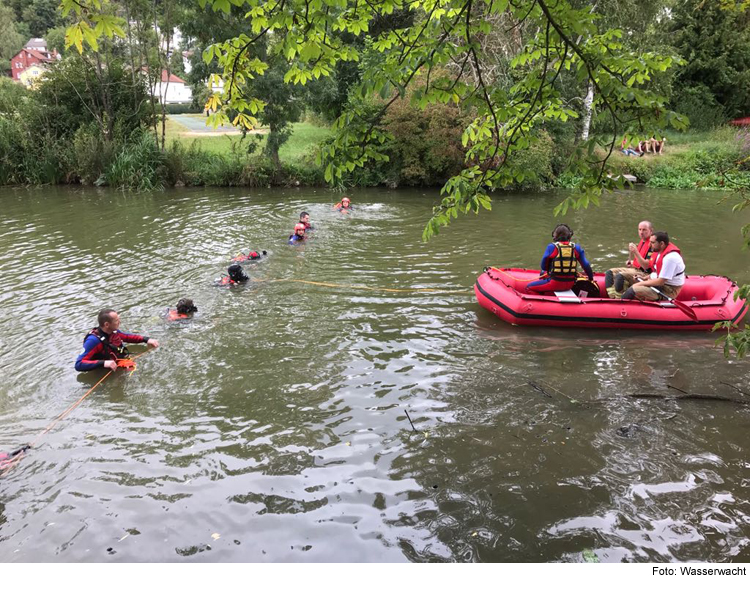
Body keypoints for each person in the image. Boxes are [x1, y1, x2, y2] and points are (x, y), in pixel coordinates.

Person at [75, 309, 159, 372]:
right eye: (116, 320)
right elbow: (79, 364)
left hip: (119, 363)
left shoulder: (113, 331)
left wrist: (146, 339)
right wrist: (104, 363)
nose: (120, 322)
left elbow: (127, 337)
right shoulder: (93, 341)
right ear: (107, 324)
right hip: (104, 371)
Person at [527, 224, 594, 294]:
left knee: (529, 287)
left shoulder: (551, 247)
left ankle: (542, 299)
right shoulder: (577, 248)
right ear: (569, 236)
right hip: (570, 284)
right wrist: (590, 278)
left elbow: (543, 266)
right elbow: (586, 265)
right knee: (542, 273)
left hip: (555, 283)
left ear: (555, 236)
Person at [621, 231, 685, 302]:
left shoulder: (670, 258)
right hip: (661, 284)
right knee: (630, 282)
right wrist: (645, 278)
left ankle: (622, 305)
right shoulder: (659, 253)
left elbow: (660, 282)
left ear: (661, 244)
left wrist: (639, 284)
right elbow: (657, 272)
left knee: (633, 289)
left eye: (652, 242)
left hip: (669, 289)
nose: (649, 245)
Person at [605, 220, 654, 298]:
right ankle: (612, 296)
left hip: (645, 274)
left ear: (651, 231)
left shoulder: (653, 245)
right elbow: (640, 260)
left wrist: (635, 252)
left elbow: (646, 266)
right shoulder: (643, 241)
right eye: (639, 229)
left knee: (620, 276)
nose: (641, 232)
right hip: (636, 270)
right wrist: (632, 262)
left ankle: (619, 298)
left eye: (644, 230)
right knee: (609, 272)